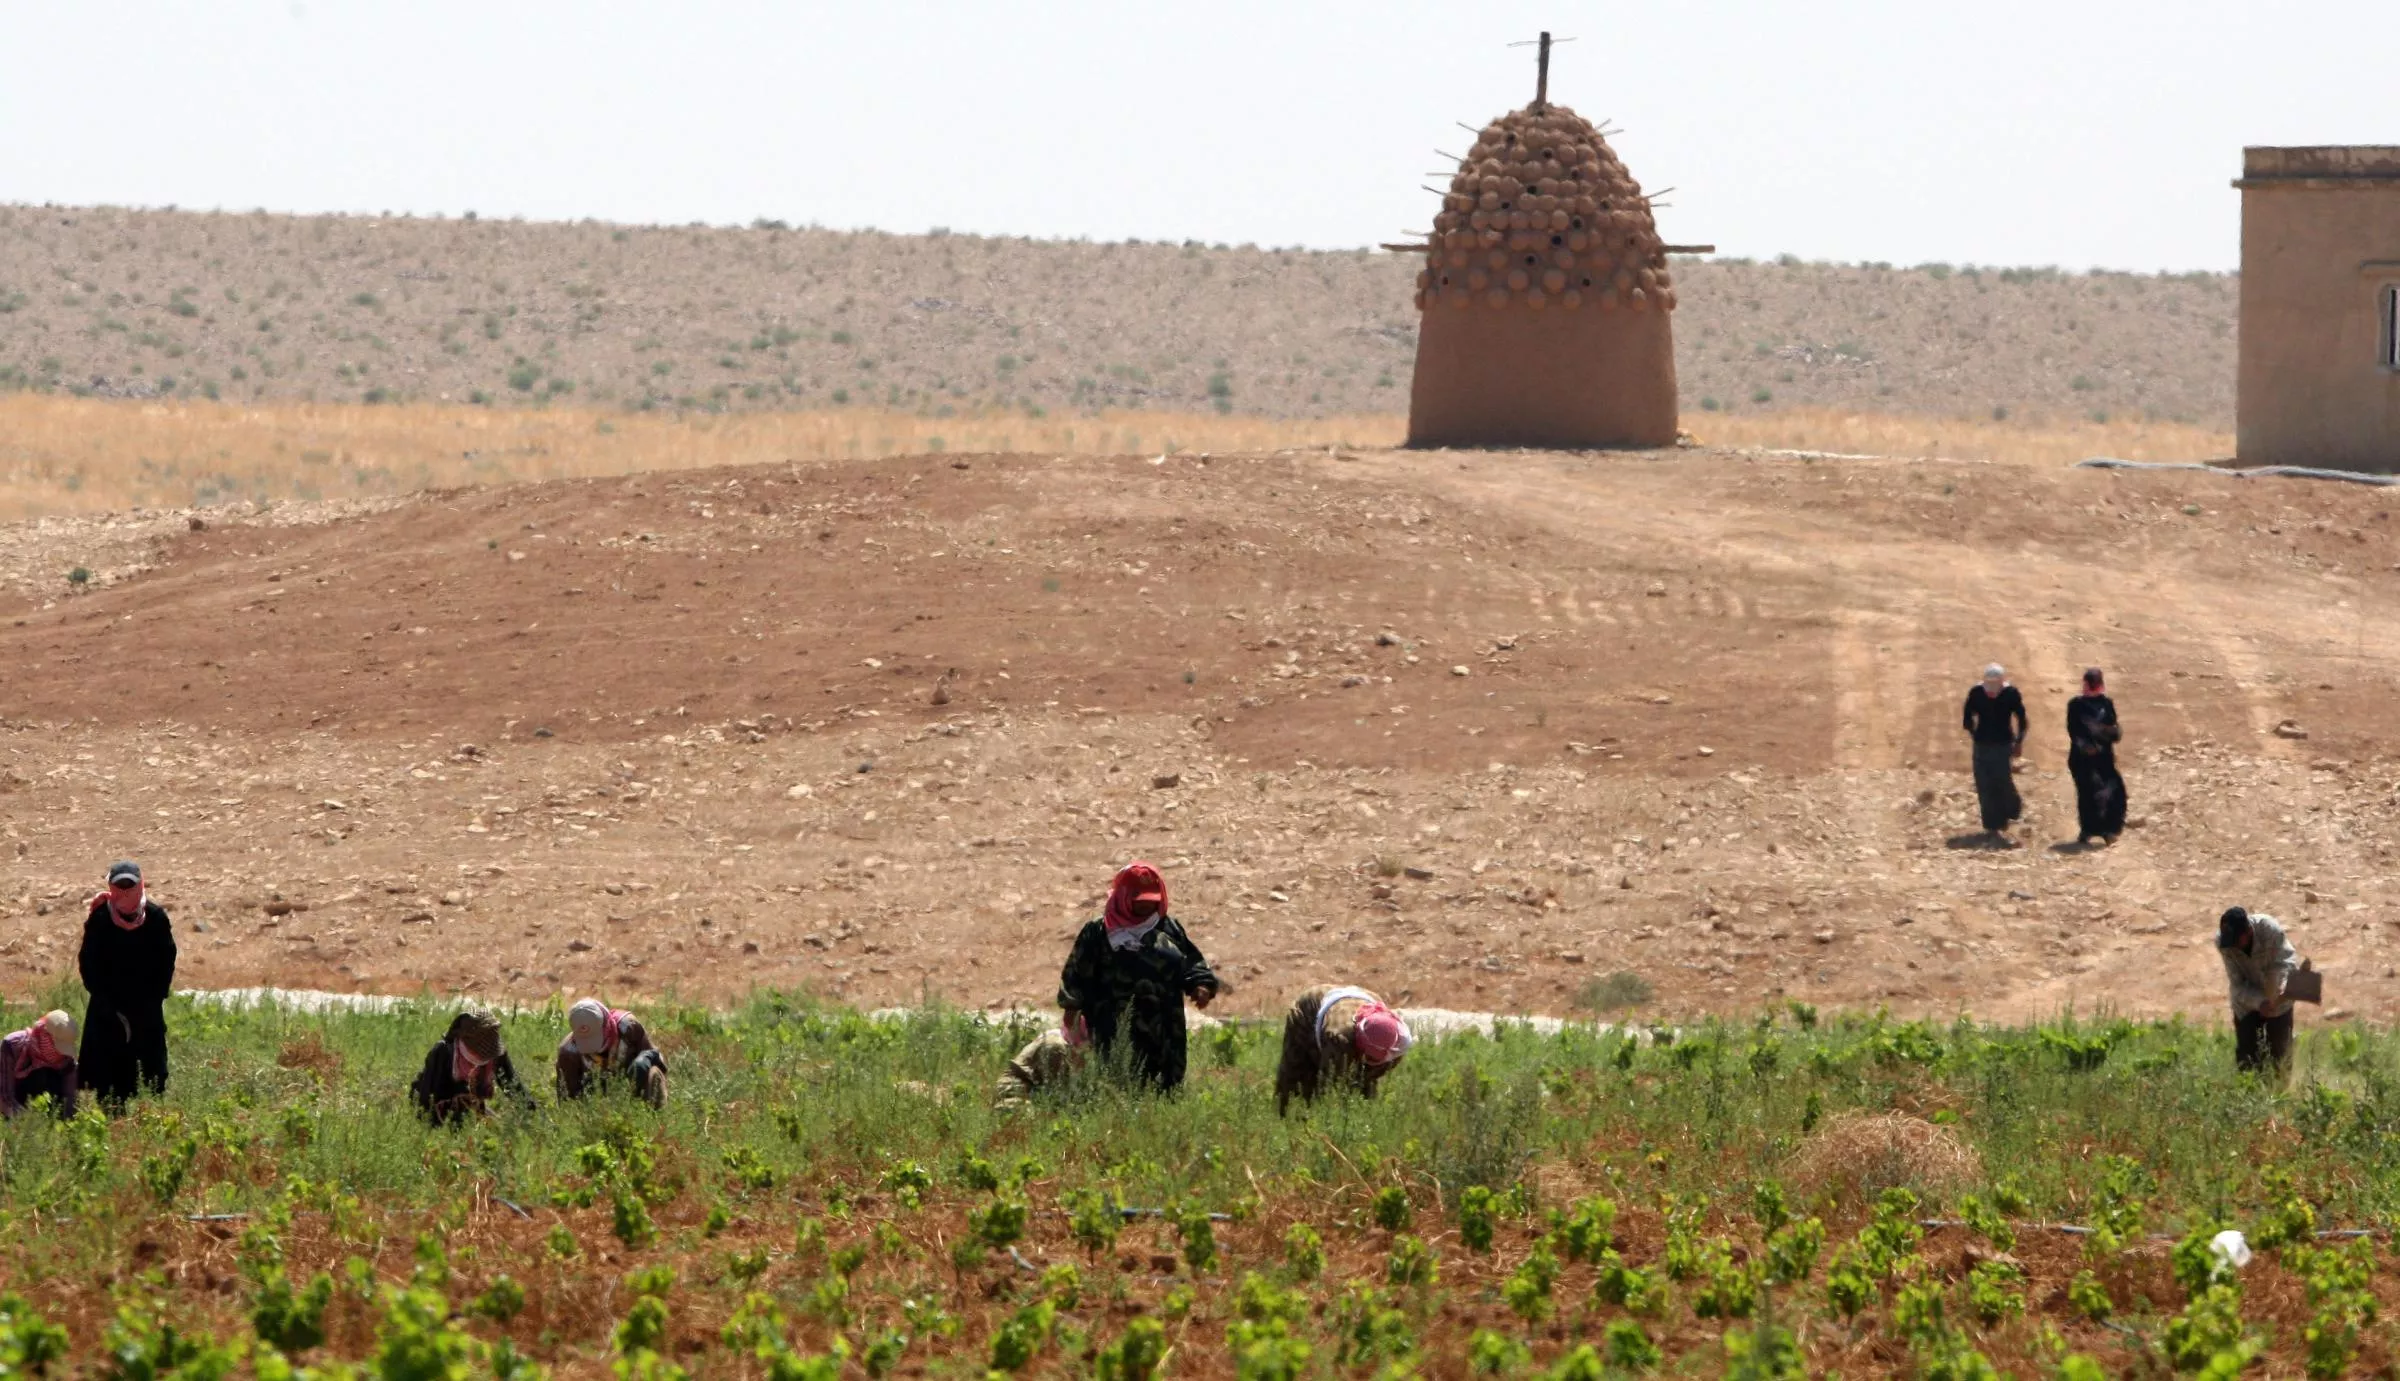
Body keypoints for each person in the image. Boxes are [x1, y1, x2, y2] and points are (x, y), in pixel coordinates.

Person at [1056, 860, 1218, 1093]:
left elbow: (1191, 963)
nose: (1146, 908)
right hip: (1113, 1026)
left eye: (1152, 902)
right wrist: (1072, 1009)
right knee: (1117, 1084)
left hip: (1164, 1030)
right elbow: (1076, 975)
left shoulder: (1168, 928)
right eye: (1140, 902)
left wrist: (1200, 985)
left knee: (1165, 1089)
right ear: (1123, 897)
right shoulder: (1098, 933)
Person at [78, 860, 177, 1107]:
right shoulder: (100, 920)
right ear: (110, 887)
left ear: (140, 885)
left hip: (146, 1007)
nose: (124, 892)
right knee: (109, 1081)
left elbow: (166, 961)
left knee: (151, 1077)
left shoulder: (155, 918)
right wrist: (107, 1004)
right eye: (118, 886)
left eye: (129, 886)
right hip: (108, 1009)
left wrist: (153, 999)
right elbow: (88, 964)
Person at [1274, 985, 1413, 1115]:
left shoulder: (1396, 1036)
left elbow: (1372, 1075)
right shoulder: (1339, 1039)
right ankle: (1285, 1121)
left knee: (1364, 1092)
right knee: (1296, 1086)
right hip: (1309, 1011)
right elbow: (1328, 1086)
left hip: (1359, 999)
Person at [2218, 907, 2300, 1080]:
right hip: (2247, 1003)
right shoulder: (2224, 944)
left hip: (2279, 999)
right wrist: (2259, 1002)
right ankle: (2251, 1097)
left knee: (2280, 1058)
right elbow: (2237, 984)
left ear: (2248, 932)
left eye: (2236, 940)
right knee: (2247, 1060)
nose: (2232, 945)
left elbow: (2287, 961)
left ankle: (2279, 1096)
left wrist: (2282, 986)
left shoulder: (2269, 930)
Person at [411, 1010, 530, 1125]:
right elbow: (427, 1098)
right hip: (441, 1103)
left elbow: (514, 1087)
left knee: (493, 1125)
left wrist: (533, 1117)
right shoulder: (444, 1052)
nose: (485, 1056)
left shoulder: (496, 1054)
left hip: (471, 1104)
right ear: (464, 1039)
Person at [557, 998, 668, 1107]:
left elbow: (655, 1056)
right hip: (597, 1093)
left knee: (644, 1066)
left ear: (606, 1024)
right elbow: (567, 1099)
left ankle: (648, 1111)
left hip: (631, 1080)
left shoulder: (628, 1026)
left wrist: (644, 1062)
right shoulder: (568, 1052)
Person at [1961, 664, 2028, 843]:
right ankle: (1992, 826)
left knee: (2002, 780)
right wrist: (1974, 733)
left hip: (2003, 744)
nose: (1991, 687)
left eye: (1995, 683)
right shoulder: (1976, 693)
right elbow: (1967, 717)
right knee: (1984, 784)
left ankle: (2013, 808)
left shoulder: (2010, 694)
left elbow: (2021, 719)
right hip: (1982, 745)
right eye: (1988, 683)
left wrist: (2019, 741)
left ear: (2002, 681)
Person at [2066, 667, 2128, 846]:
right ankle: (2090, 830)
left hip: (2104, 758)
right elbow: (2073, 730)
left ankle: (2109, 829)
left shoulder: (2106, 704)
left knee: (2114, 792)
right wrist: (2085, 746)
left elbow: (2113, 727)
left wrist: (2110, 733)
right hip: (2081, 759)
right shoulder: (2076, 705)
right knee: (2089, 793)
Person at [0, 1011, 80, 1119]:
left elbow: (70, 1100)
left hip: (51, 1113)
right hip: (18, 1113)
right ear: (44, 1035)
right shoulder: (12, 1045)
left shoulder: (67, 1059)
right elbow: (4, 1096)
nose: (61, 1054)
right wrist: (29, 1121)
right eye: (58, 1047)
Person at [994, 1027, 1084, 1109]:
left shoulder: (1060, 1038)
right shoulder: (1056, 1046)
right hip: (1014, 1091)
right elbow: (1057, 1092)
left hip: (1031, 1091)